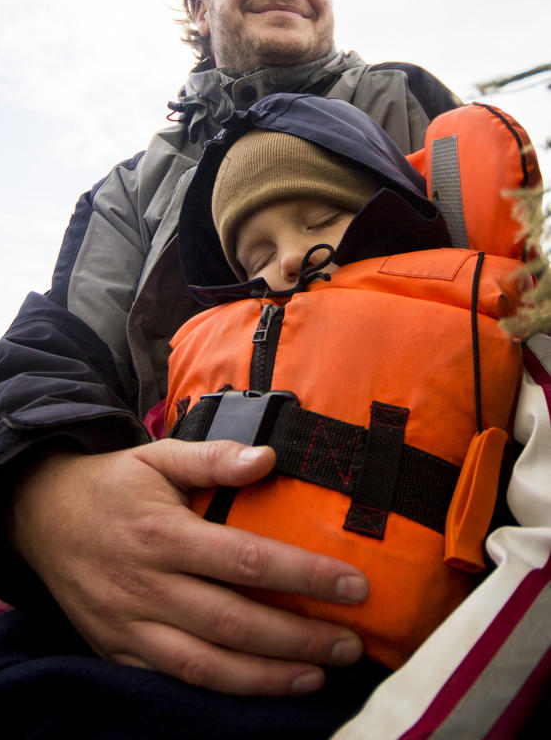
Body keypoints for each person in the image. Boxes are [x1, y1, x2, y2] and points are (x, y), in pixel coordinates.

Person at [0, 0, 548, 736]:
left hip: (327, 504)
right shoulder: (129, 188)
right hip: (120, 482)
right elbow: (59, 343)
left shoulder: (394, 102)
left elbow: (475, 317)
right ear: (201, 6)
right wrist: (43, 490)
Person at [164, 93, 528, 672]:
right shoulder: (205, 347)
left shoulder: (498, 323)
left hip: (387, 677)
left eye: (320, 221)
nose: (287, 259)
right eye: (257, 252)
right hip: (184, 642)